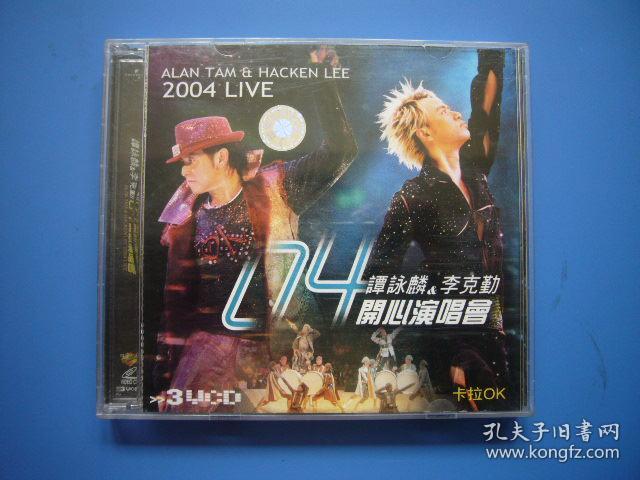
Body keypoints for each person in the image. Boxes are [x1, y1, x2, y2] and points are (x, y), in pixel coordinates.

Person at [153, 48, 357, 413]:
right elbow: (176, 302)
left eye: (191, 161)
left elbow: (340, 151)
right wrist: (166, 371)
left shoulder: (278, 185)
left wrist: (323, 80)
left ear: (221, 157)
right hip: (207, 350)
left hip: (274, 346)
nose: (183, 171)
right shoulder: (185, 215)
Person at [371, 50, 507, 410]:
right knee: (479, 416)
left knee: (502, 411)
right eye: (445, 111)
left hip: (496, 327)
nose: (457, 113)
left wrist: (491, 55)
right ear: (425, 131)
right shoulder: (412, 196)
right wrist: (433, 341)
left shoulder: (476, 168)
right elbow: (379, 271)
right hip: (456, 339)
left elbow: (487, 107)